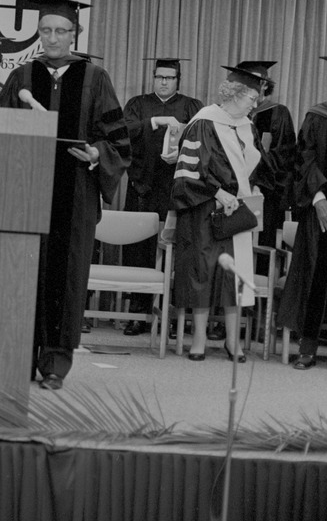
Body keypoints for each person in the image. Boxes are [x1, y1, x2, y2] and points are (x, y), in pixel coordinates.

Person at [0, 0, 130, 390]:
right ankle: (18, 357)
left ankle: (56, 363)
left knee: (67, 275)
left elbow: (118, 141)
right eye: (46, 31)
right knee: (23, 272)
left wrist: (96, 154)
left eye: (61, 31)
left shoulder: (94, 78)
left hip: (76, 193)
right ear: (38, 33)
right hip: (27, 190)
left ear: (75, 34)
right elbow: (0, 131)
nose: (53, 38)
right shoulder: (21, 76)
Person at [171, 64, 272, 361]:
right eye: (252, 97)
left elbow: (256, 168)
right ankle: (199, 339)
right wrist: (218, 192)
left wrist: (252, 189)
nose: (255, 104)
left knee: (234, 275)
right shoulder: (203, 122)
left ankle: (233, 341)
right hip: (204, 209)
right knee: (203, 273)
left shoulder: (247, 126)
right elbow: (188, 170)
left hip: (237, 210)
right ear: (234, 93)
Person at [121, 58, 202, 336]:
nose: (164, 82)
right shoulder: (138, 104)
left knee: (175, 251)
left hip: (177, 190)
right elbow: (123, 133)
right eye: (160, 77)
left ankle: (172, 315)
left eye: (170, 77)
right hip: (142, 187)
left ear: (179, 80)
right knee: (138, 250)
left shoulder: (192, 107)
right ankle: (137, 314)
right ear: (153, 77)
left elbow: (203, 141)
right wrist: (155, 121)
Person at [277, 55, 327, 372]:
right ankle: (308, 348)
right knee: (313, 276)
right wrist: (318, 199)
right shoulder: (317, 116)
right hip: (319, 216)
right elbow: (302, 159)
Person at [238, 60, 296, 246]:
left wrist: (255, 176)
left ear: (265, 84)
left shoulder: (278, 113)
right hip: (233, 189)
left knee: (262, 242)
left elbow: (284, 155)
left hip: (265, 192)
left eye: (255, 82)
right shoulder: (232, 113)